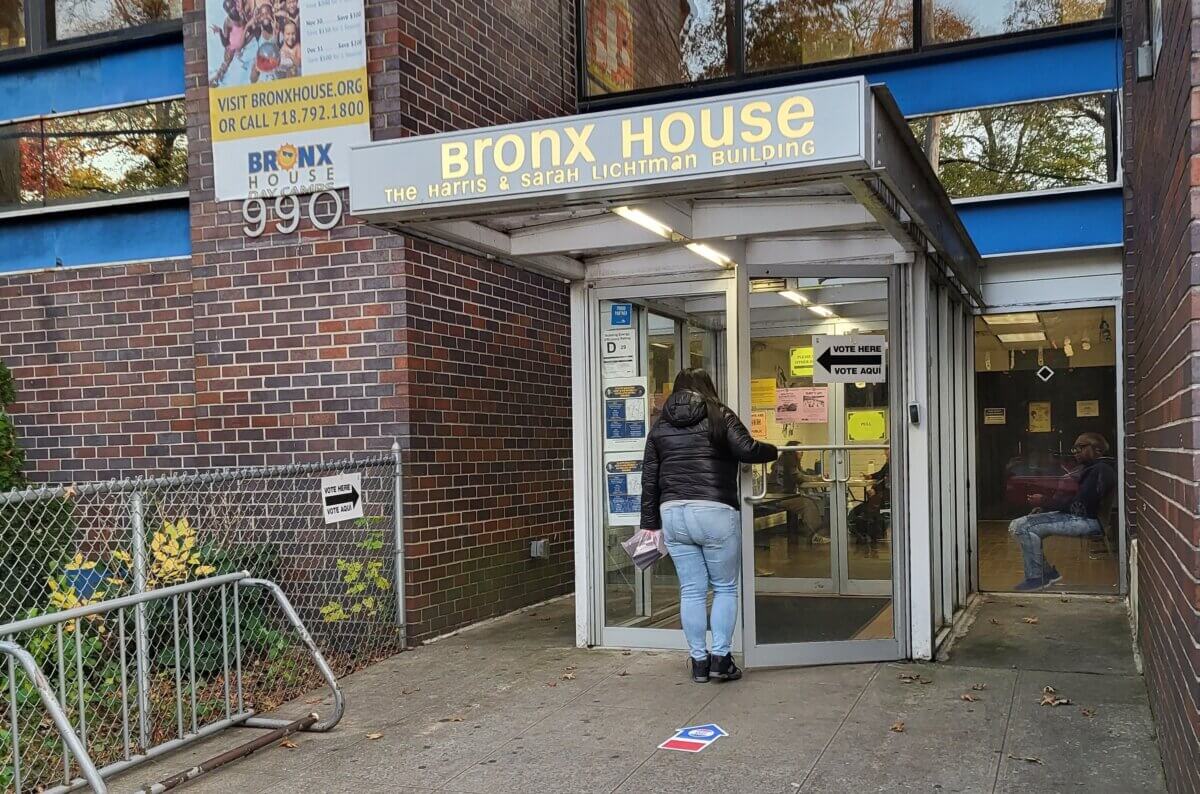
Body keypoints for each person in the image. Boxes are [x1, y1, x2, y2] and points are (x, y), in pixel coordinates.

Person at [640, 368, 778, 683]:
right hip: (714, 510)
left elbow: (649, 478)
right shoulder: (719, 414)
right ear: (708, 387)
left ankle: (698, 662)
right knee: (725, 587)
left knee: (691, 590)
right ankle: (721, 659)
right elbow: (748, 449)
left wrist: (650, 524)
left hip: (673, 511)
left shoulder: (660, 425)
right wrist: (774, 450)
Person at [1008, 432, 1116, 592]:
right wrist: (1044, 506)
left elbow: (1079, 507)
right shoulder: (1093, 468)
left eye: (1081, 447)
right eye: (1074, 448)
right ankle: (1045, 573)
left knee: (1022, 527)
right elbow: (1076, 503)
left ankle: (1037, 577)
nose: (1076, 452)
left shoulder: (1100, 470)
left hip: (1090, 522)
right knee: (1019, 524)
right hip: (1080, 517)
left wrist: (1044, 501)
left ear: (1098, 450)